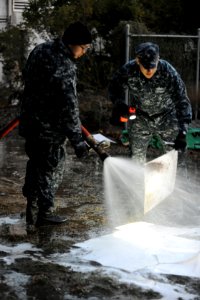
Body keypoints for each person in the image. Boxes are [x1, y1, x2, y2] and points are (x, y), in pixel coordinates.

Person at [19, 21, 92, 230]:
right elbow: (68, 106)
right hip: (48, 130)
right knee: (53, 168)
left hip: (30, 122)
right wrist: (78, 141)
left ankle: (31, 210)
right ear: (73, 44)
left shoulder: (41, 49)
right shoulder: (64, 65)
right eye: (84, 48)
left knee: (36, 164)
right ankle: (45, 212)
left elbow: (28, 78)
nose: (84, 52)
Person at [108, 42, 192, 163]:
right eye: (145, 66)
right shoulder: (128, 70)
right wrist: (119, 104)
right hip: (140, 118)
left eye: (153, 66)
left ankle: (176, 181)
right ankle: (137, 182)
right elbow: (114, 88)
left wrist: (183, 131)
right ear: (137, 60)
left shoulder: (168, 71)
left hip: (167, 117)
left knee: (175, 158)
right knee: (136, 160)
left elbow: (182, 99)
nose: (149, 70)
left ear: (158, 60)